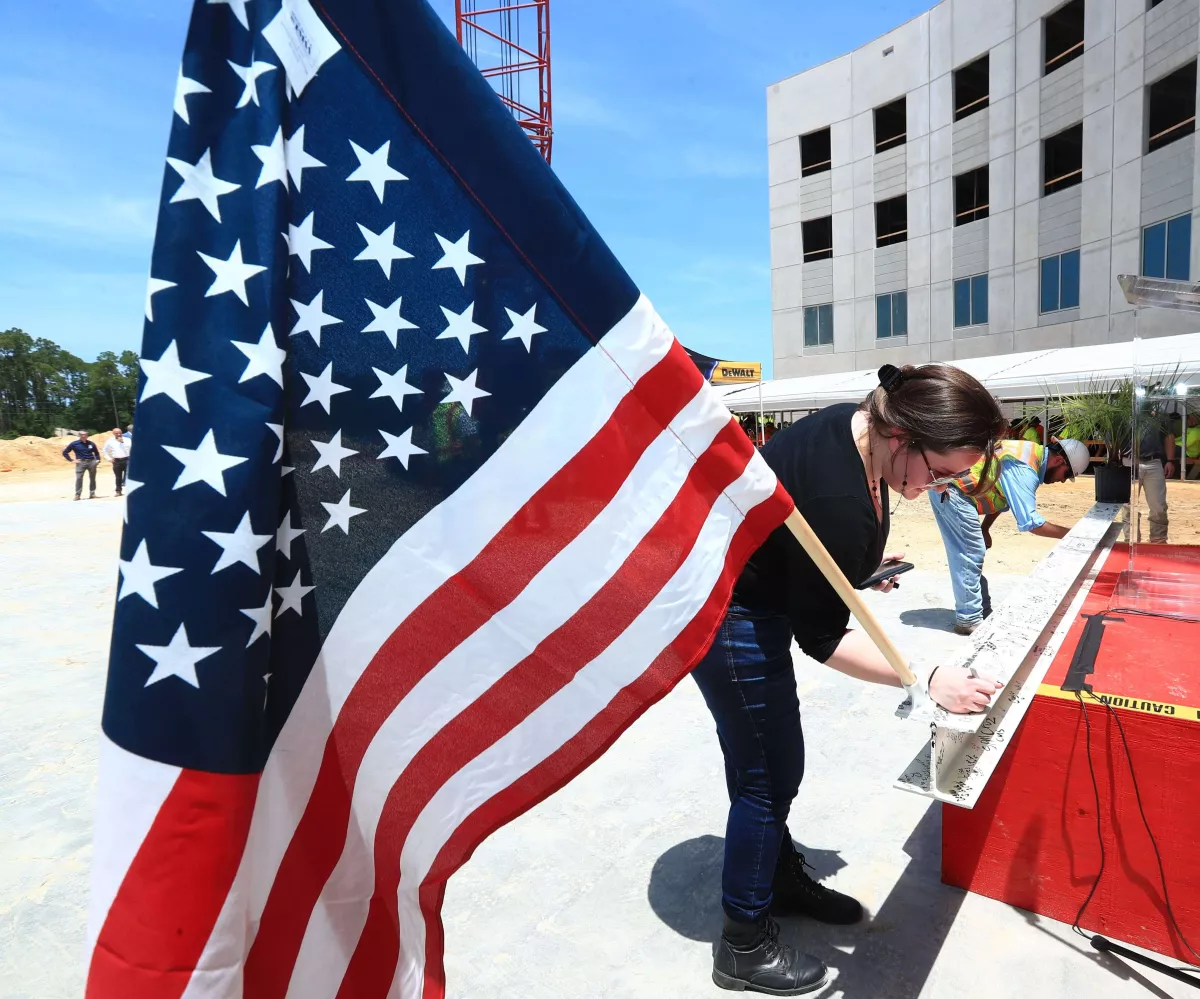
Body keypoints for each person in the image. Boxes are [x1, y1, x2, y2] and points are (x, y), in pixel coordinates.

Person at [693, 364, 1007, 996]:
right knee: (769, 774)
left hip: (761, 595)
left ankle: (775, 879)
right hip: (731, 615)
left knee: (768, 765)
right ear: (901, 435)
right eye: (941, 472)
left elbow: (811, 546)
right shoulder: (840, 494)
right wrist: (925, 677)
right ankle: (743, 944)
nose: (941, 488)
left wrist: (857, 572)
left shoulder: (856, 423)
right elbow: (824, 639)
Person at [929, 436, 1090, 635]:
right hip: (954, 492)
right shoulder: (1024, 468)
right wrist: (1075, 535)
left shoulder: (1031, 455)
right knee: (969, 553)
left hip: (958, 491)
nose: (1062, 480)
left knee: (971, 551)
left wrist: (985, 527)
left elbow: (1001, 491)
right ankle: (969, 618)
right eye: (1066, 474)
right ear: (1059, 461)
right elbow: (1032, 524)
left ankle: (979, 612)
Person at [62, 430, 102, 500]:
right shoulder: (74, 444)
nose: (83, 436)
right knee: (79, 478)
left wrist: (98, 460)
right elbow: (65, 452)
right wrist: (72, 460)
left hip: (91, 462)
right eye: (81, 435)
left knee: (92, 478)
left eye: (85, 435)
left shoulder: (91, 443)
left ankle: (92, 493)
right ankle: (78, 494)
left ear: (87, 436)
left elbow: (96, 452)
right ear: (79, 436)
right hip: (81, 463)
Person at [103, 427, 132, 496]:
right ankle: (118, 491)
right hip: (117, 461)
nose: (119, 434)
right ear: (113, 434)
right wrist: (109, 459)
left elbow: (131, 449)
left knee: (129, 476)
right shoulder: (110, 441)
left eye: (120, 433)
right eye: (116, 433)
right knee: (118, 477)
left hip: (127, 459)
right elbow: (105, 450)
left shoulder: (127, 440)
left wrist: (122, 442)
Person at [1176, 413, 1200, 479]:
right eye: (1189, 418)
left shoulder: (1197, 431)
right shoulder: (1189, 429)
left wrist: (1174, 444)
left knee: (1173, 450)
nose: (1190, 420)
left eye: (1193, 418)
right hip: (1185, 450)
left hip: (1191, 453)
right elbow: (1181, 438)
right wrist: (1173, 441)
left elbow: (1186, 444)